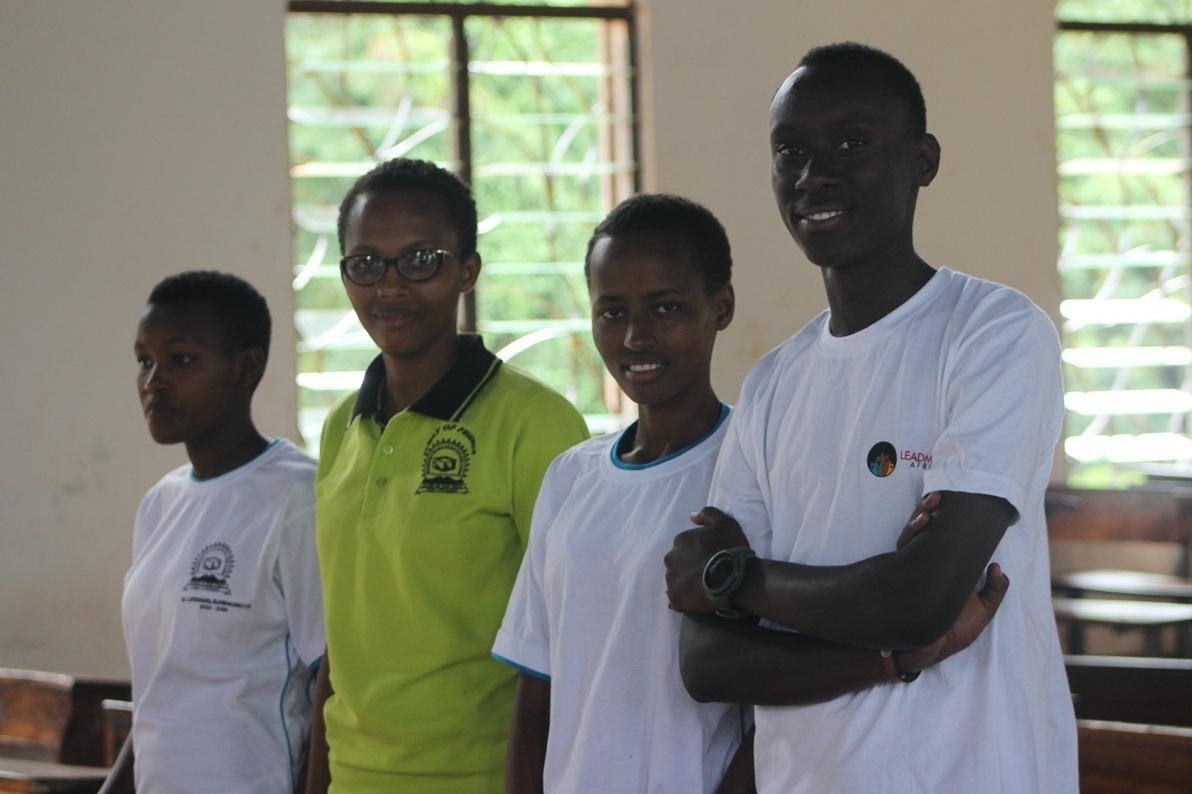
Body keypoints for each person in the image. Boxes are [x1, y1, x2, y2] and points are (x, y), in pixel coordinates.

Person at [664, 42, 1078, 792]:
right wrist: (888, 654)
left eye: (852, 144)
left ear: (923, 160)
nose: (813, 174)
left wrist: (733, 576)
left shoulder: (994, 333)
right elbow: (706, 661)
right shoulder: (772, 384)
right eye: (789, 150)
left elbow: (919, 600)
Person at [494, 194, 1010, 794]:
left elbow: (768, 692)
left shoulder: (759, 464)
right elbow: (539, 692)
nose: (636, 336)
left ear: (721, 307)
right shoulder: (570, 478)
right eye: (612, 313)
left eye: (665, 308)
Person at [306, 158, 590, 793]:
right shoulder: (338, 431)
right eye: (366, 264)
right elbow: (341, 640)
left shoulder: (535, 425)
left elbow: (571, 644)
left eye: (421, 260)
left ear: (467, 270)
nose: (390, 286)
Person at [117, 271, 324, 793]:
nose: (153, 381)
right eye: (145, 361)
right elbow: (158, 692)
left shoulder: (298, 498)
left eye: (181, 360)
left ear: (244, 367)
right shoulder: (160, 504)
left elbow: (333, 683)